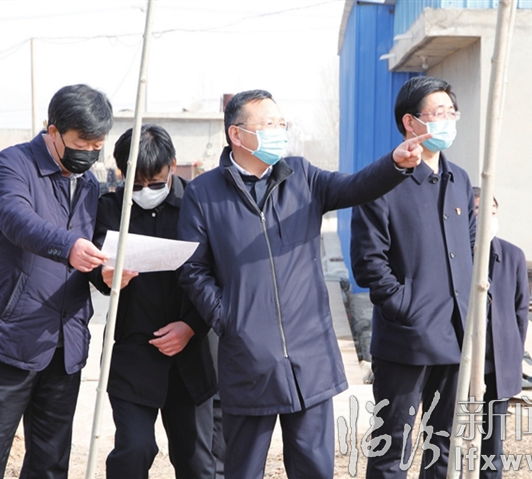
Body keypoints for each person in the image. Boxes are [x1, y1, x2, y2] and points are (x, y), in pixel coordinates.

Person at [177, 89, 427, 479]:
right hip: (249, 358)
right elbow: (192, 268)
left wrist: (394, 163)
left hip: (310, 355)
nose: (279, 132)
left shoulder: (303, 177)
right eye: (268, 124)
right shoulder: (204, 194)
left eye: (282, 124)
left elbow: (356, 186)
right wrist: (229, 319)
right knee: (242, 469)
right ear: (236, 135)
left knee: (314, 467)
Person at [0, 84, 113, 478]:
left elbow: (88, 252)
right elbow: (17, 221)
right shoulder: (12, 165)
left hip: (64, 347)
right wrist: (69, 246)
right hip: (7, 340)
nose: (88, 154)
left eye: (96, 146)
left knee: (50, 464)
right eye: (81, 144)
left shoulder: (89, 184)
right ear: (53, 130)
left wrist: (105, 274)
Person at [350, 76, 476, 479]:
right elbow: (368, 263)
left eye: (451, 112)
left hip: (456, 335)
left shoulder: (459, 181)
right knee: (392, 446)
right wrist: (403, 306)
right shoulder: (382, 183)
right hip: (407, 339)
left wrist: (477, 306)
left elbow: (473, 250)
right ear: (410, 121)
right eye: (437, 113)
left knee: (444, 446)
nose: (447, 121)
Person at [88, 124, 217, 479]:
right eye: (136, 184)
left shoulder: (199, 205)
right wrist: (104, 276)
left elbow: (222, 274)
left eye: (156, 183)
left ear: (172, 166)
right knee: (134, 449)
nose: (145, 192)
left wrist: (191, 326)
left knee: (197, 460)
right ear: (121, 173)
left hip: (192, 356)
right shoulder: (110, 209)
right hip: (133, 352)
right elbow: (93, 263)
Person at [472, 187, 529, 479]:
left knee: (492, 444)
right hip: (460, 364)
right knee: (447, 437)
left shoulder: (513, 255)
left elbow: (521, 312)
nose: (488, 218)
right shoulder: (455, 254)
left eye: (492, 212)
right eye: (480, 211)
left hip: (496, 365)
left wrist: (512, 355)